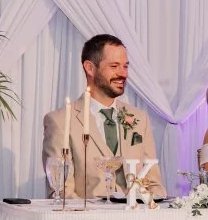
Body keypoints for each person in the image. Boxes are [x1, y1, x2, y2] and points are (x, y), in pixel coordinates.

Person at [42, 34, 166, 199]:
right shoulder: (60, 121)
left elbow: (153, 183)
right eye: (114, 66)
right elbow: (61, 191)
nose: (123, 74)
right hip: (88, 215)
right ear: (90, 68)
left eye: (125, 66)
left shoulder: (139, 118)